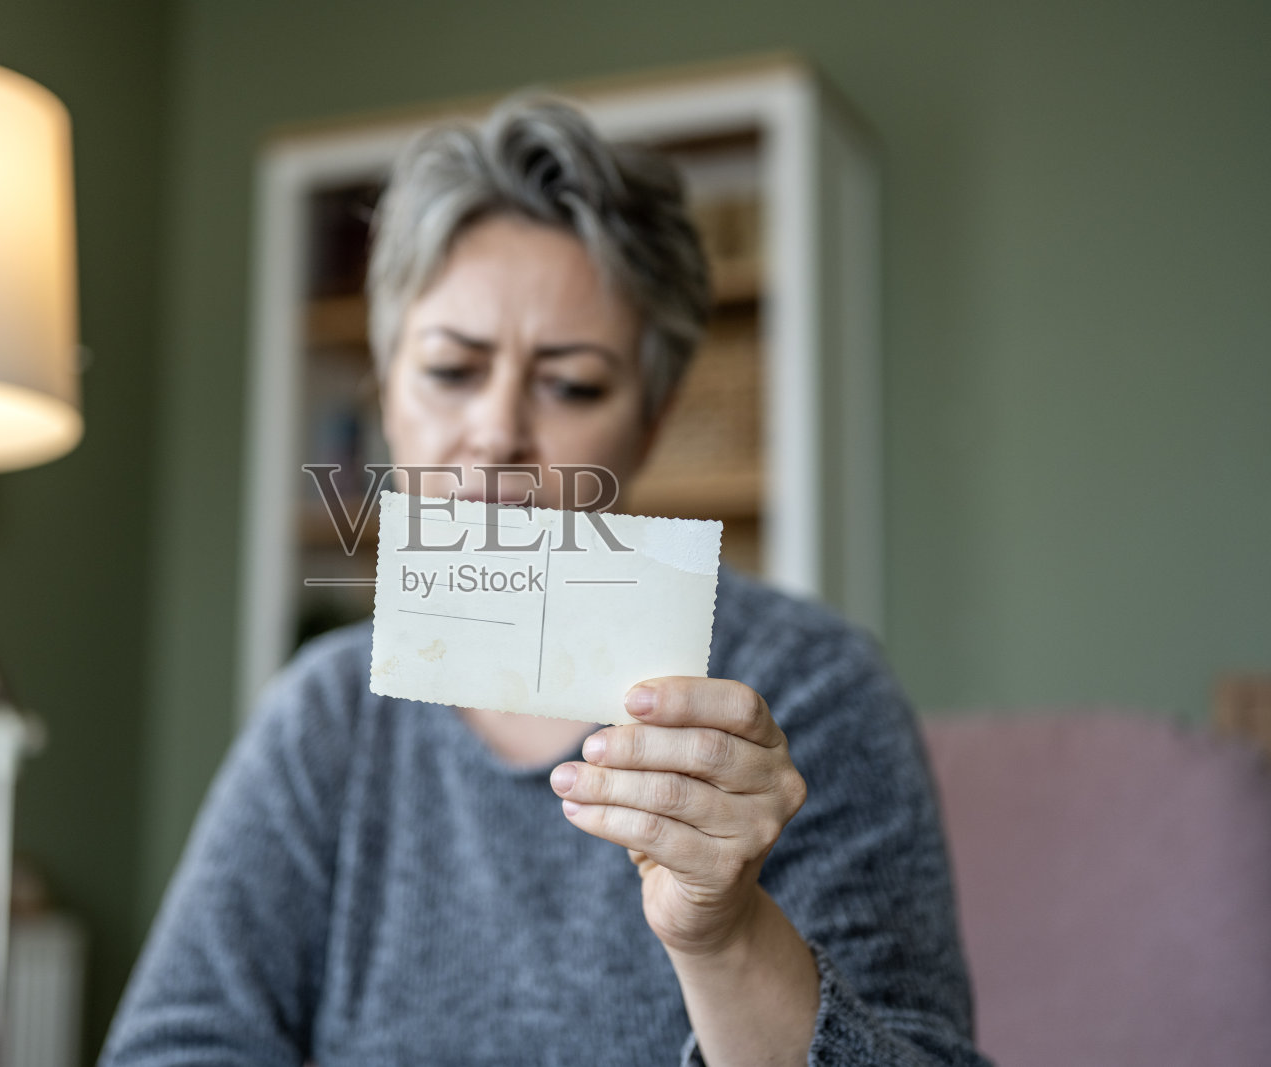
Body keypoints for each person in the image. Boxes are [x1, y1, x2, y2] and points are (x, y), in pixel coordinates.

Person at [101, 96, 991, 1067]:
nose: (496, 430)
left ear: (648, 424)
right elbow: (177, 1042)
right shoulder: (325, 713)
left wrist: (725, 931)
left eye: (569, 384)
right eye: (449, 368)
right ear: (388, 391)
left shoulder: (812, 684)